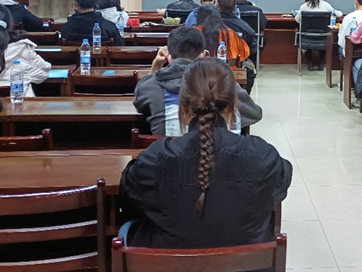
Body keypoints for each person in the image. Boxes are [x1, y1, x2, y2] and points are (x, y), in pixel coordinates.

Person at [121, 57, 291, 249]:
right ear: (234, 106)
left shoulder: (155, 159)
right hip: (245, 264)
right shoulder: (262, 156)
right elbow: (280, 184)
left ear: (183, 108)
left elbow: (129, 197)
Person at [133, 27, 262, 136]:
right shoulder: (222, 81)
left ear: (168, 56)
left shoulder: (149, 86)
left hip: (167, 156)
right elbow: (254, 114)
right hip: (218, 154)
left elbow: (139, 105)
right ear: (204, 55)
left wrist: (155, 67)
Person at [295, 0, 342, 70]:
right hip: (323, 36)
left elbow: (298, 20)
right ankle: (321, 62)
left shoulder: (304, 7)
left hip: (307, 37)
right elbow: (338, 14)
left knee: (305, 36)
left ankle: (310, 62)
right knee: (324, 38)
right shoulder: (326, 5)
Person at [60, 0, 124, 46]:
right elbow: (119, 47)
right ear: (96, 3)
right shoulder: (109, 27)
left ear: (76, 3)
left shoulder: (66, 28)